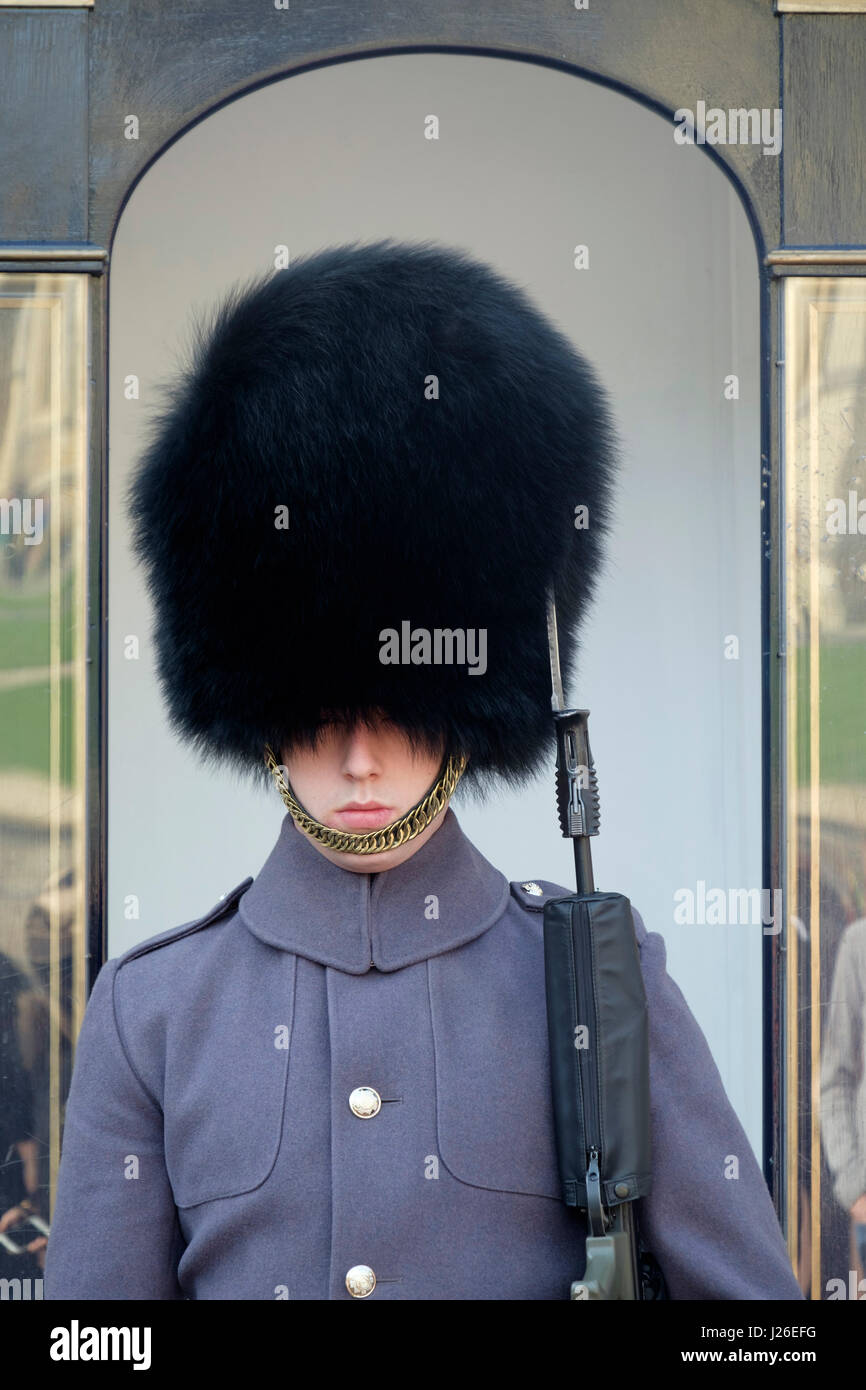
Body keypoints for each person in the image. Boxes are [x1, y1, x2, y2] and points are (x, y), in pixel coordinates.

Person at [44, 239, 803, 1300]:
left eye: (400, 712)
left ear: (461, 710)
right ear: (261, 716)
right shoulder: (154, 1013)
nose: (359, 756)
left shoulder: (595, 976)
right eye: (317, 717)